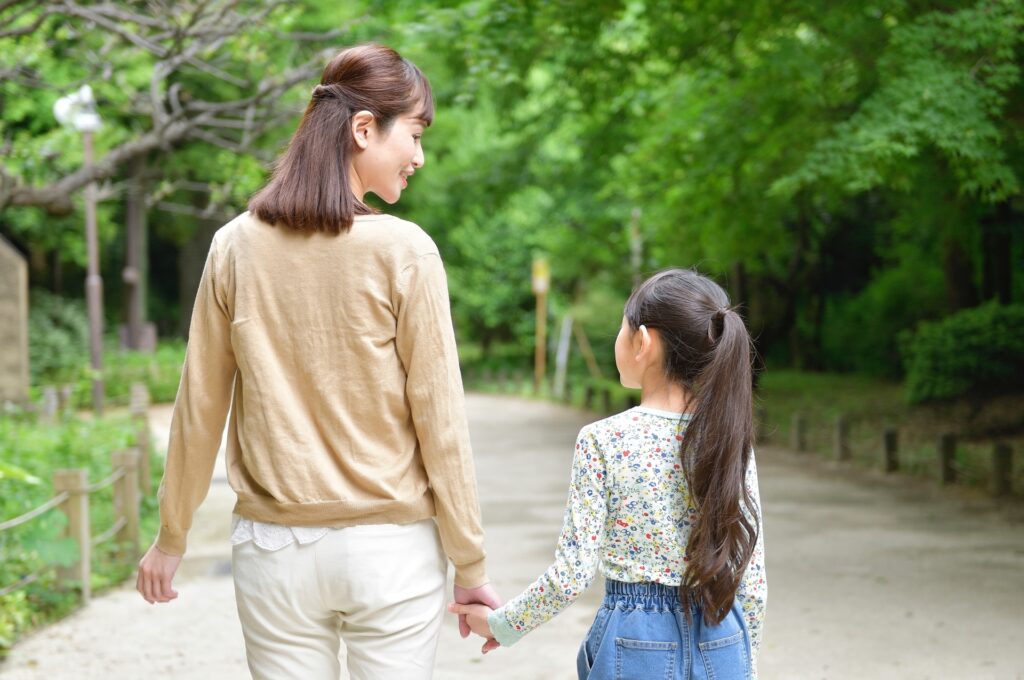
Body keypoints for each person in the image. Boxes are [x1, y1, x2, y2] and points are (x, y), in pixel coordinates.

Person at [135, 43, 500, 679]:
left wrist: (173, 537)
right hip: (391, 552)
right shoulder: (405, 250)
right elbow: (441, 421)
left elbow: (199, 407)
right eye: (413, 135)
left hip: (274, 552)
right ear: (365, 129)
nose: (419, 156)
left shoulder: (234, 246)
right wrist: (469, 567)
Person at [449, 268, 767, 679]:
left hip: (636, 641)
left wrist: (503, 625)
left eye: (622, 328)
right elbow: (752, 580)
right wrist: (747, 659)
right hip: (724, 634)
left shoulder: (605, 439)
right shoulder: (730, 439)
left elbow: (571, 576)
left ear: (643, 342)